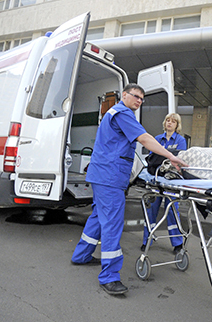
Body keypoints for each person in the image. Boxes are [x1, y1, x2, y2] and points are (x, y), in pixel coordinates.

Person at [71, 84, 188, 296]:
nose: (139, 101)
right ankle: (109, 276)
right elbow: (144, 139)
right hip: (110, 177)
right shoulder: (124, 114)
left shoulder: (112, 113)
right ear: (124, 95)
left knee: (99, 216)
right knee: (112, 224)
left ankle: (82, 255)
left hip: (101, 175)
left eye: (142, 99)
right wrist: (171, 157)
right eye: (136, 96)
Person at [141, 113, 187, 253]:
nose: (169, 123)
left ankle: (177, 244)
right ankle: (146, 240)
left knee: (172, 211)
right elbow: (152, 158)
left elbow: (179, 158)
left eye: (173, 121)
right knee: (151, 210)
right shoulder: (156, 139)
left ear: (177, 125)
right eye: (168, 120)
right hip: (156, 179)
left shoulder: (181, 140)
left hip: (171, 181)